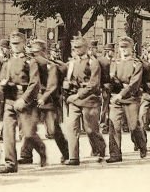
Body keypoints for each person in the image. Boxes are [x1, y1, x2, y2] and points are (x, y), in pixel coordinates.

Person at [0, 32, 45, 173]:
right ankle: (10, 163)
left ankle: (41, 148)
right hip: (10, 100)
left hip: (25, 100)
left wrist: (24, 99)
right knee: (8, 134)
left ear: (24, 44)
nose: (15, 46)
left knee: (28, 133)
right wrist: (2, 86)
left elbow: (35, 83)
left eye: (18, 44)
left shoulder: (31, 62)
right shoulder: (7, 62)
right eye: (13, 44)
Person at [61, 36, 106, 165]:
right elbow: (68, 78)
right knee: (72, 127)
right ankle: (73, 157)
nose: (75, 50)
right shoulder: (72, 63)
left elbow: (93, 84)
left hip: (90, 99)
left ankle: (101, 149)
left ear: (86, 48)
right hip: (74, 99)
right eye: (74, 47)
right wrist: (66, 85)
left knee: (90, 130)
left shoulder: (93, 62)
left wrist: (78, 95)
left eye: (78, 47)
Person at [107, 37, 145, 162]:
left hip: (131, 98)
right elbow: (112, 79)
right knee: (114, 126)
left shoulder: (136, 64)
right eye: (121, 47)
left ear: (132, 48)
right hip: (116, 98)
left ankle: (141, 144)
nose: (123, 50)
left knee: (133, 127)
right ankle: (115, 154)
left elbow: (134, 83)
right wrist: (112, 82)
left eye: (126, 47)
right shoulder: (115, 62)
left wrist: (122, 93)